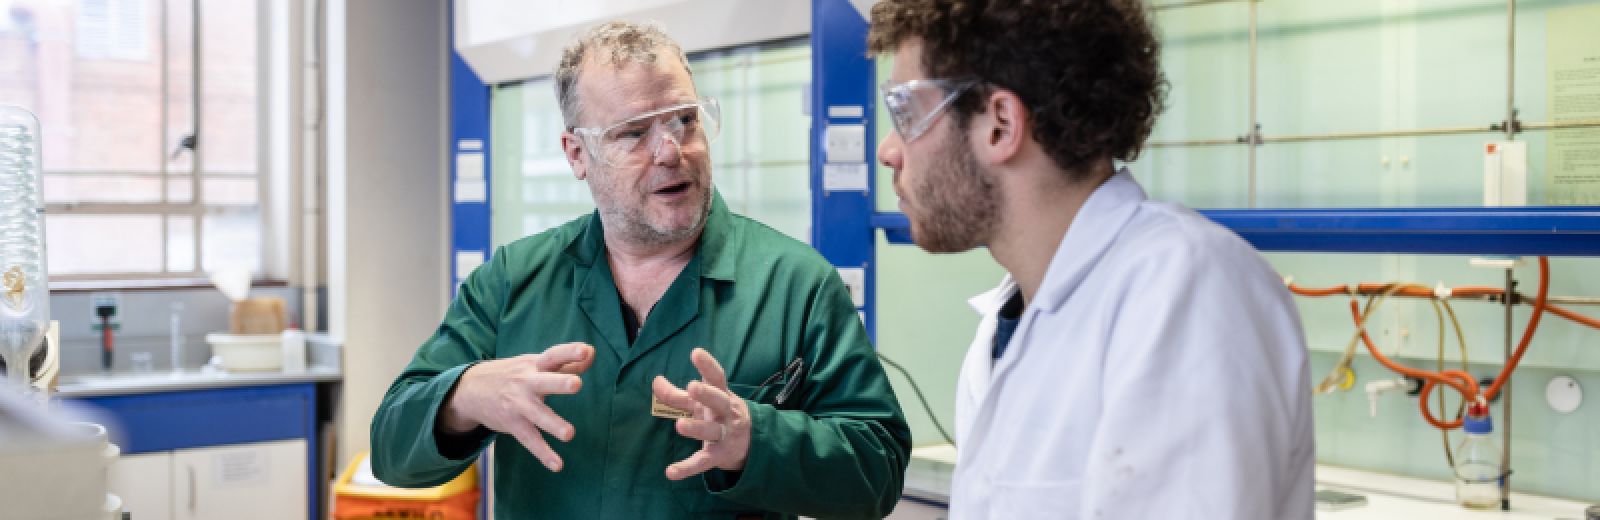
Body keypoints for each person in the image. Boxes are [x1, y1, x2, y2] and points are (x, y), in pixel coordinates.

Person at [370, 21, 910, 519]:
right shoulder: (513, 282)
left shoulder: (796, 285)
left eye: (684, 120)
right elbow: (391, 452)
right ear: (577, 154)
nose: (671, 151)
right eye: (634, 133)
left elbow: (877, 468)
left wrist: (756, 438)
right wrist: (464, 394)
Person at [867, 1, 1314, 517]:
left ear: (1000, 124)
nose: (888, 151)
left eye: (905, 115)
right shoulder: (1009, 323)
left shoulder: (1184, 287)